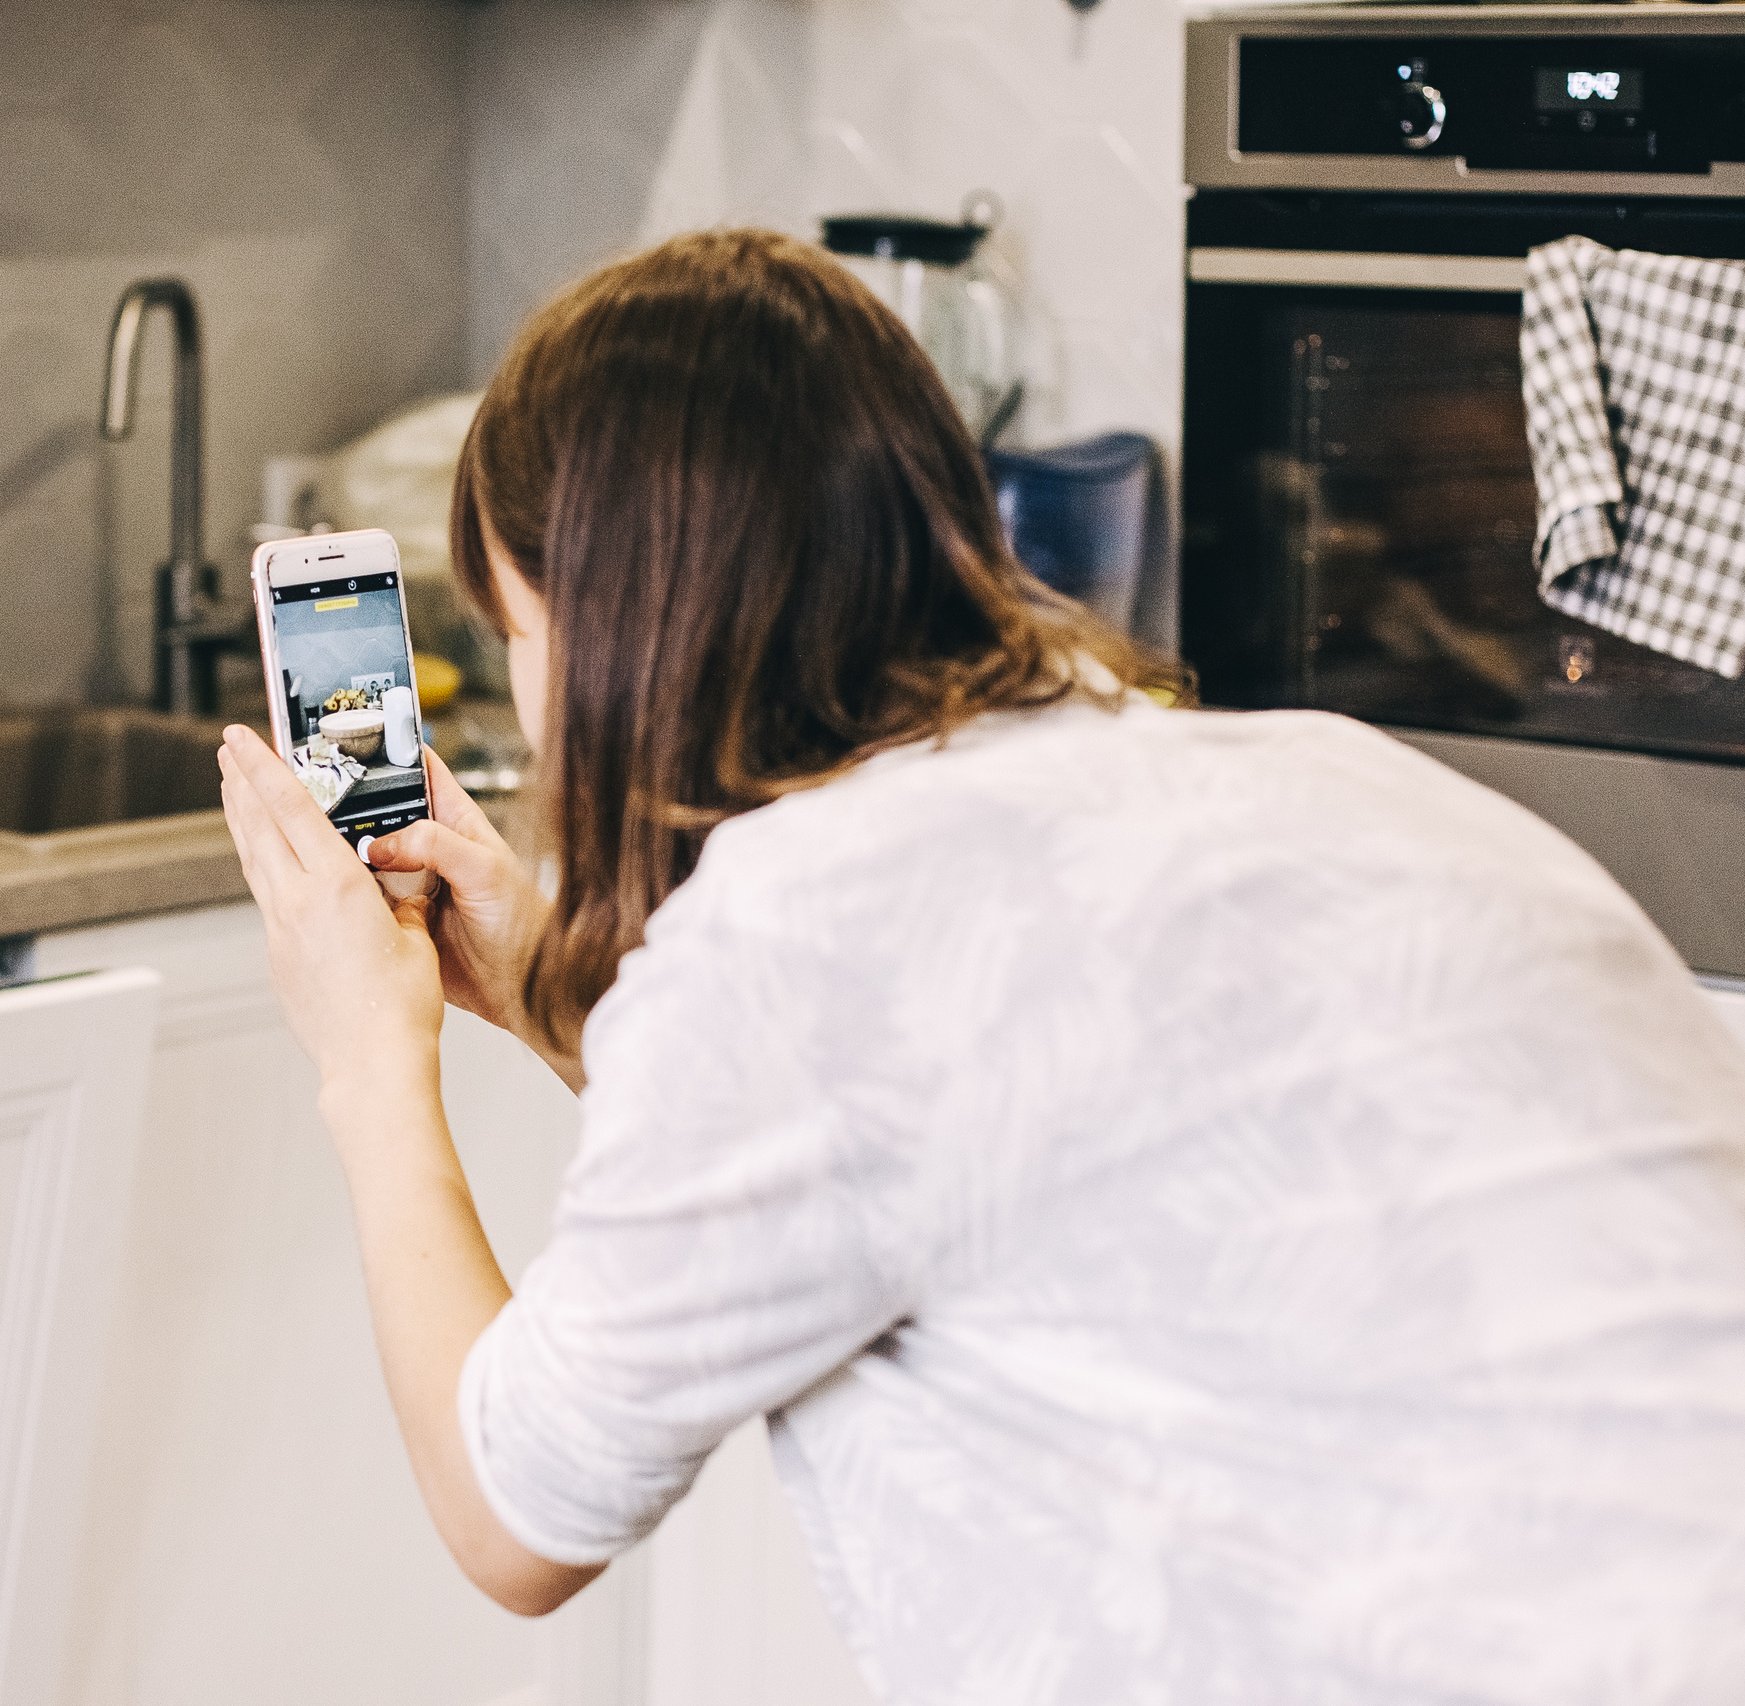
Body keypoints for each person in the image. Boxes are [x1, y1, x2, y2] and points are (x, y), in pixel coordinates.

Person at [214, 229, 1745, 1703]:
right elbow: (929, 1142)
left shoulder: (800, 934)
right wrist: (561, 978)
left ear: (615, 636)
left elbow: (512, 1511)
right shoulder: (1305, 769)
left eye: (519, 634)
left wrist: (368, 1062)